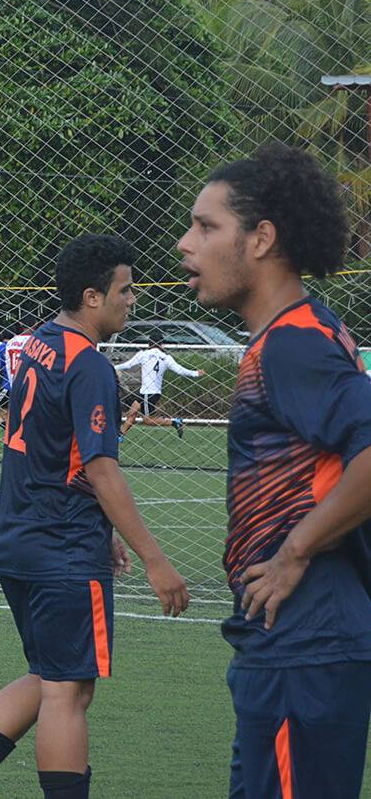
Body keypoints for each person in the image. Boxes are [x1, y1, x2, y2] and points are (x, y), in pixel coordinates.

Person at [0, 235, 189, 799]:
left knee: (49, 676)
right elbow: (101, 469)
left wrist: (104, 528)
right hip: (61, 546)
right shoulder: (89, 365)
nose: (133, 300)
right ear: (92, 297)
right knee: (70, 691)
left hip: (17, 536)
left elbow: (53, 447)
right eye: (126, 289)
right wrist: (155, 560)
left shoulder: (40, 341)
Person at [177, 142, 371, 799]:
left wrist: (294, 551)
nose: (186, 243)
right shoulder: (300, 334)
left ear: (262, 238)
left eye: (207, 227)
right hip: (291, 646)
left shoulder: (293, 344)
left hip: (307, 640)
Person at [114, 334, 201, 439]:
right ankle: (120, 436)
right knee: (133, 411)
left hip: (148, 393)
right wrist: (195, 373)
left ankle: (174, 422)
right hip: (151, 392)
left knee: (147, 420)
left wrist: (112, 367)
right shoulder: (166, 357)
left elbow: (127, 365)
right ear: (161, 344)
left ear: (149, 343)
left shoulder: (143, 354)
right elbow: (180, 370)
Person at [0, 321, 34, 427]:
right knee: (6, 411)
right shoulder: (21, 345)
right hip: (24, 384)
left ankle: (8, 430)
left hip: (8, 386)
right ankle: (13, 430)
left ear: (2, 334)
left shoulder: (1, 347)